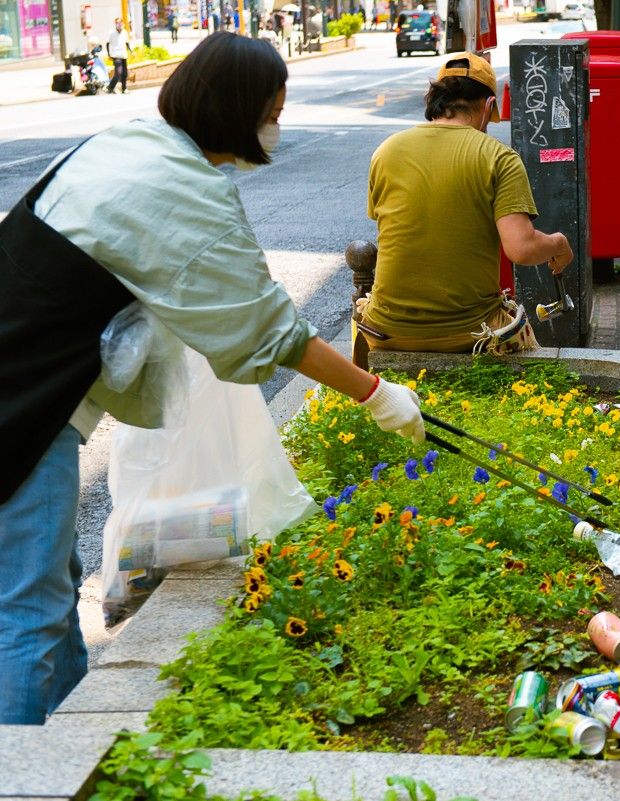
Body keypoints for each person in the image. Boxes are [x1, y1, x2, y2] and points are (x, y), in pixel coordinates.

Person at [0, 32, 425, 726]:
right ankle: (26, 773)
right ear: (237, 110)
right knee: (28, 614)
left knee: (48, 590)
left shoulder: (135, 141)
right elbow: (270, 330)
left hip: (27, 387)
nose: (275, 128)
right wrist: (376, 394)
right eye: (271, 111)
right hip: (19, 405)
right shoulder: (181, 185)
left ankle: (67, 744)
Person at [357, 54, 572, 360]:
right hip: (471, 330)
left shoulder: (386, 151)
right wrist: (559, 243)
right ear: (487, 107)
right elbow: (522, 249)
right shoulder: (498, 156)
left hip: (386, 329)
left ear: (434, 100)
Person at [106, 18, 130, 94]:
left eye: (120, 23)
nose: (119, 25)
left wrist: (131, 50)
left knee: (125, 73)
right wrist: (109, 54)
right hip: (116, 55)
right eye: (117, 23)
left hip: (123, 54)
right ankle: (110, 87)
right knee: (118, 72)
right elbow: (107, 43)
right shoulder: (112, 33)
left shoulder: (125, 32)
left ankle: (124, 88)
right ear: (115, 24)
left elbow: (126, 43)